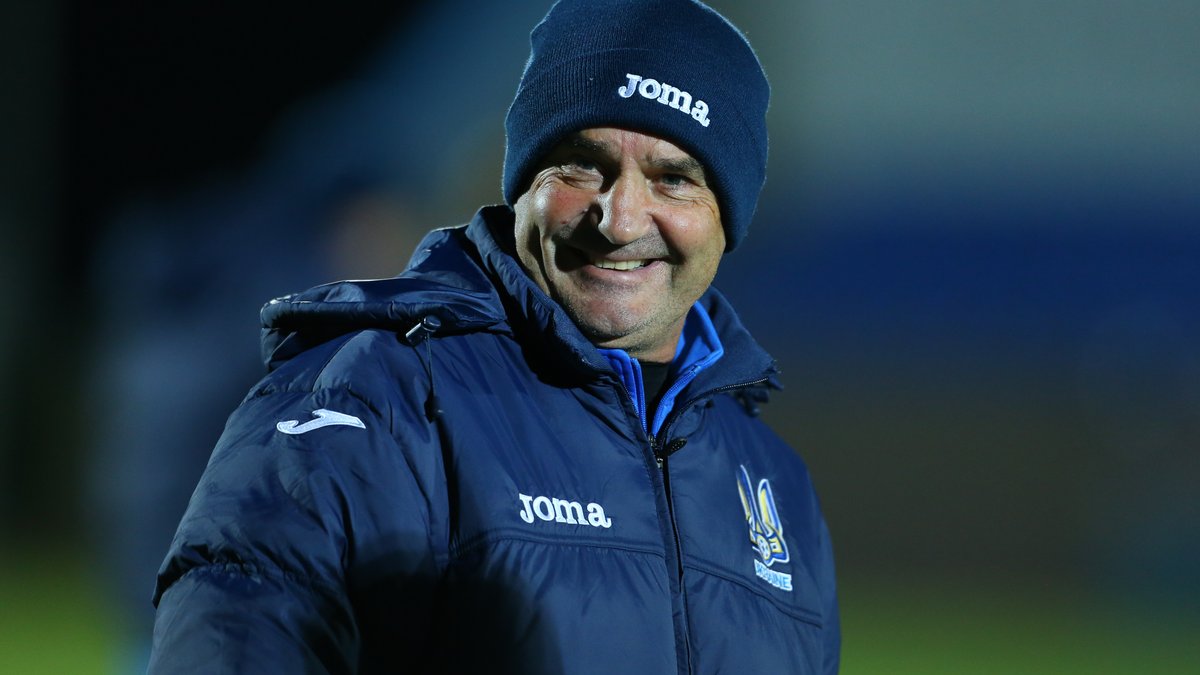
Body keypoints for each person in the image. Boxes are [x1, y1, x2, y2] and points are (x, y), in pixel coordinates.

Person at [148, 0, 840, 673]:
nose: (621, 219)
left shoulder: (774, 484)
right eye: (583, 164)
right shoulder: (368, 400)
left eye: (674, 179)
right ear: (523, 185)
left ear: (728, 214)